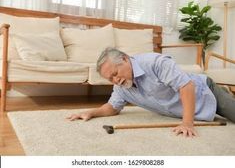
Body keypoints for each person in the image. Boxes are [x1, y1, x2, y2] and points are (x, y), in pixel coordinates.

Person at [67, 47, 235, 137]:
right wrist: (92, 112)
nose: (115, 81)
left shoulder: (155, 63)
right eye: (110, 79)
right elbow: (112, 107)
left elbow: (186, 86)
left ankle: (225, 93)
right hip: (184, 104)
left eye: (115, 74)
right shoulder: (121, 87)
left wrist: (187, 123)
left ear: (125, 59)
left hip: (204, 92)